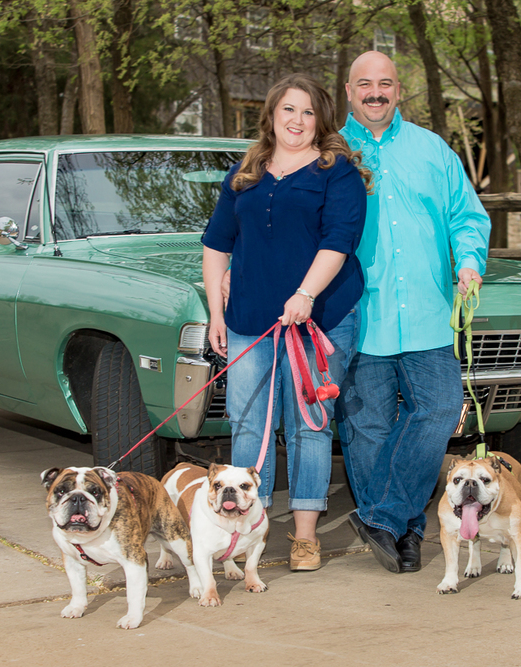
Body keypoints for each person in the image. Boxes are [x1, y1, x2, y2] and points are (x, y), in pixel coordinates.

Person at [202, 73, 370, 572]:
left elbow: (339, 241)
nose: (297, 121)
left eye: (308, 112)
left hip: (319, 319)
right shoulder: (246, 173)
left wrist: (305, 293)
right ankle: (246, 531)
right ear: (271, 115)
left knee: (308, 427)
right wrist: (216, 310)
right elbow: (216, 244)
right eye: (288, 110)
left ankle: (304, 535)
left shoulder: (335, 172)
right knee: (249, 422)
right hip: (250, 319)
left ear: (321, 120)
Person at [337, 51, 492, 573]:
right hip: (357, 312)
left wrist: (469, 261)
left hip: (428, 310)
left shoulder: (434, 150)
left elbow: (466, 216)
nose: (375, 92)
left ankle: (381, 516)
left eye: (384, 84)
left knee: (441, 409)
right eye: (365, 84)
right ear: (348, 91)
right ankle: (404, 533)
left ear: (399, 90)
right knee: (368, 429)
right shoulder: (330, 154)